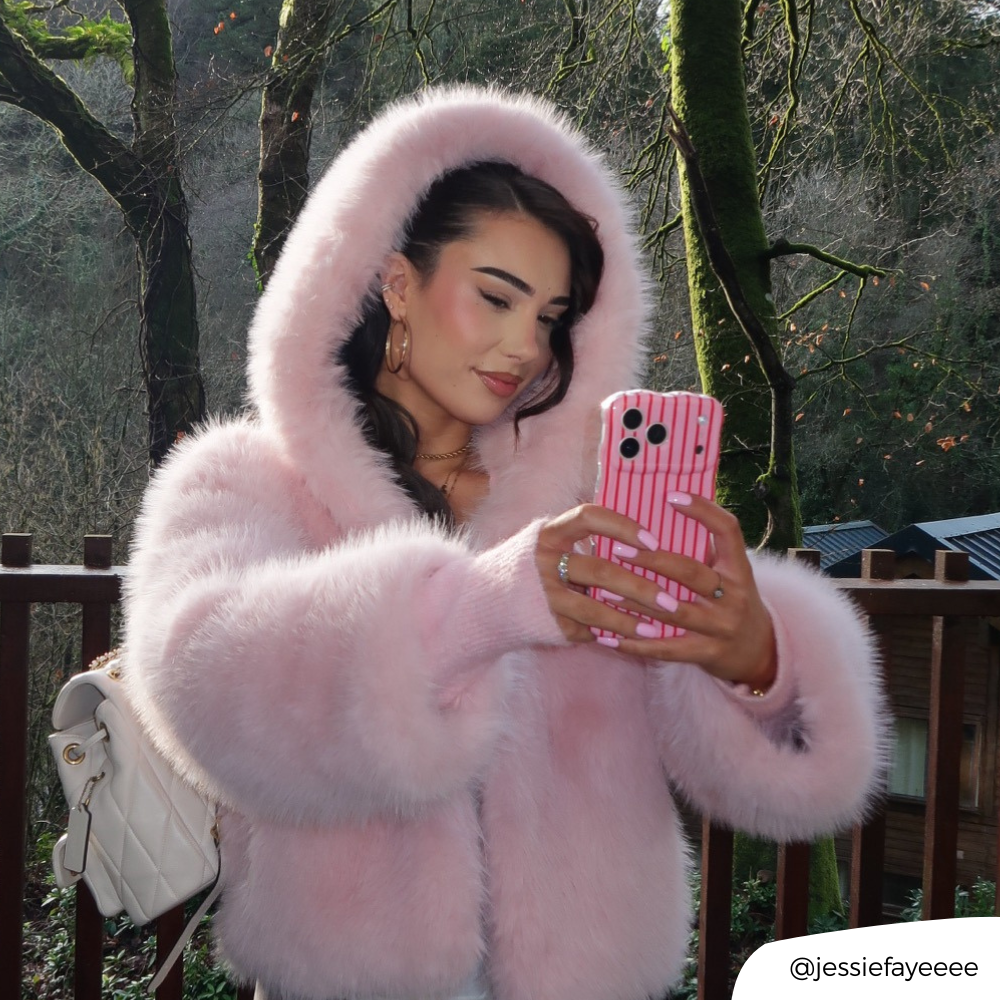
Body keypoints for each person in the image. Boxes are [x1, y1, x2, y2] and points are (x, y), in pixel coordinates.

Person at [122, 87, 889, 1000]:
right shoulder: (245, 482)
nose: (526, 345)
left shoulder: (590, 509)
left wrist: (755, 659)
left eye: (552, 317)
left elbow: (775, 770)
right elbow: (202, 681)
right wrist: (483, 607)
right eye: (496, 297)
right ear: (396, 282)